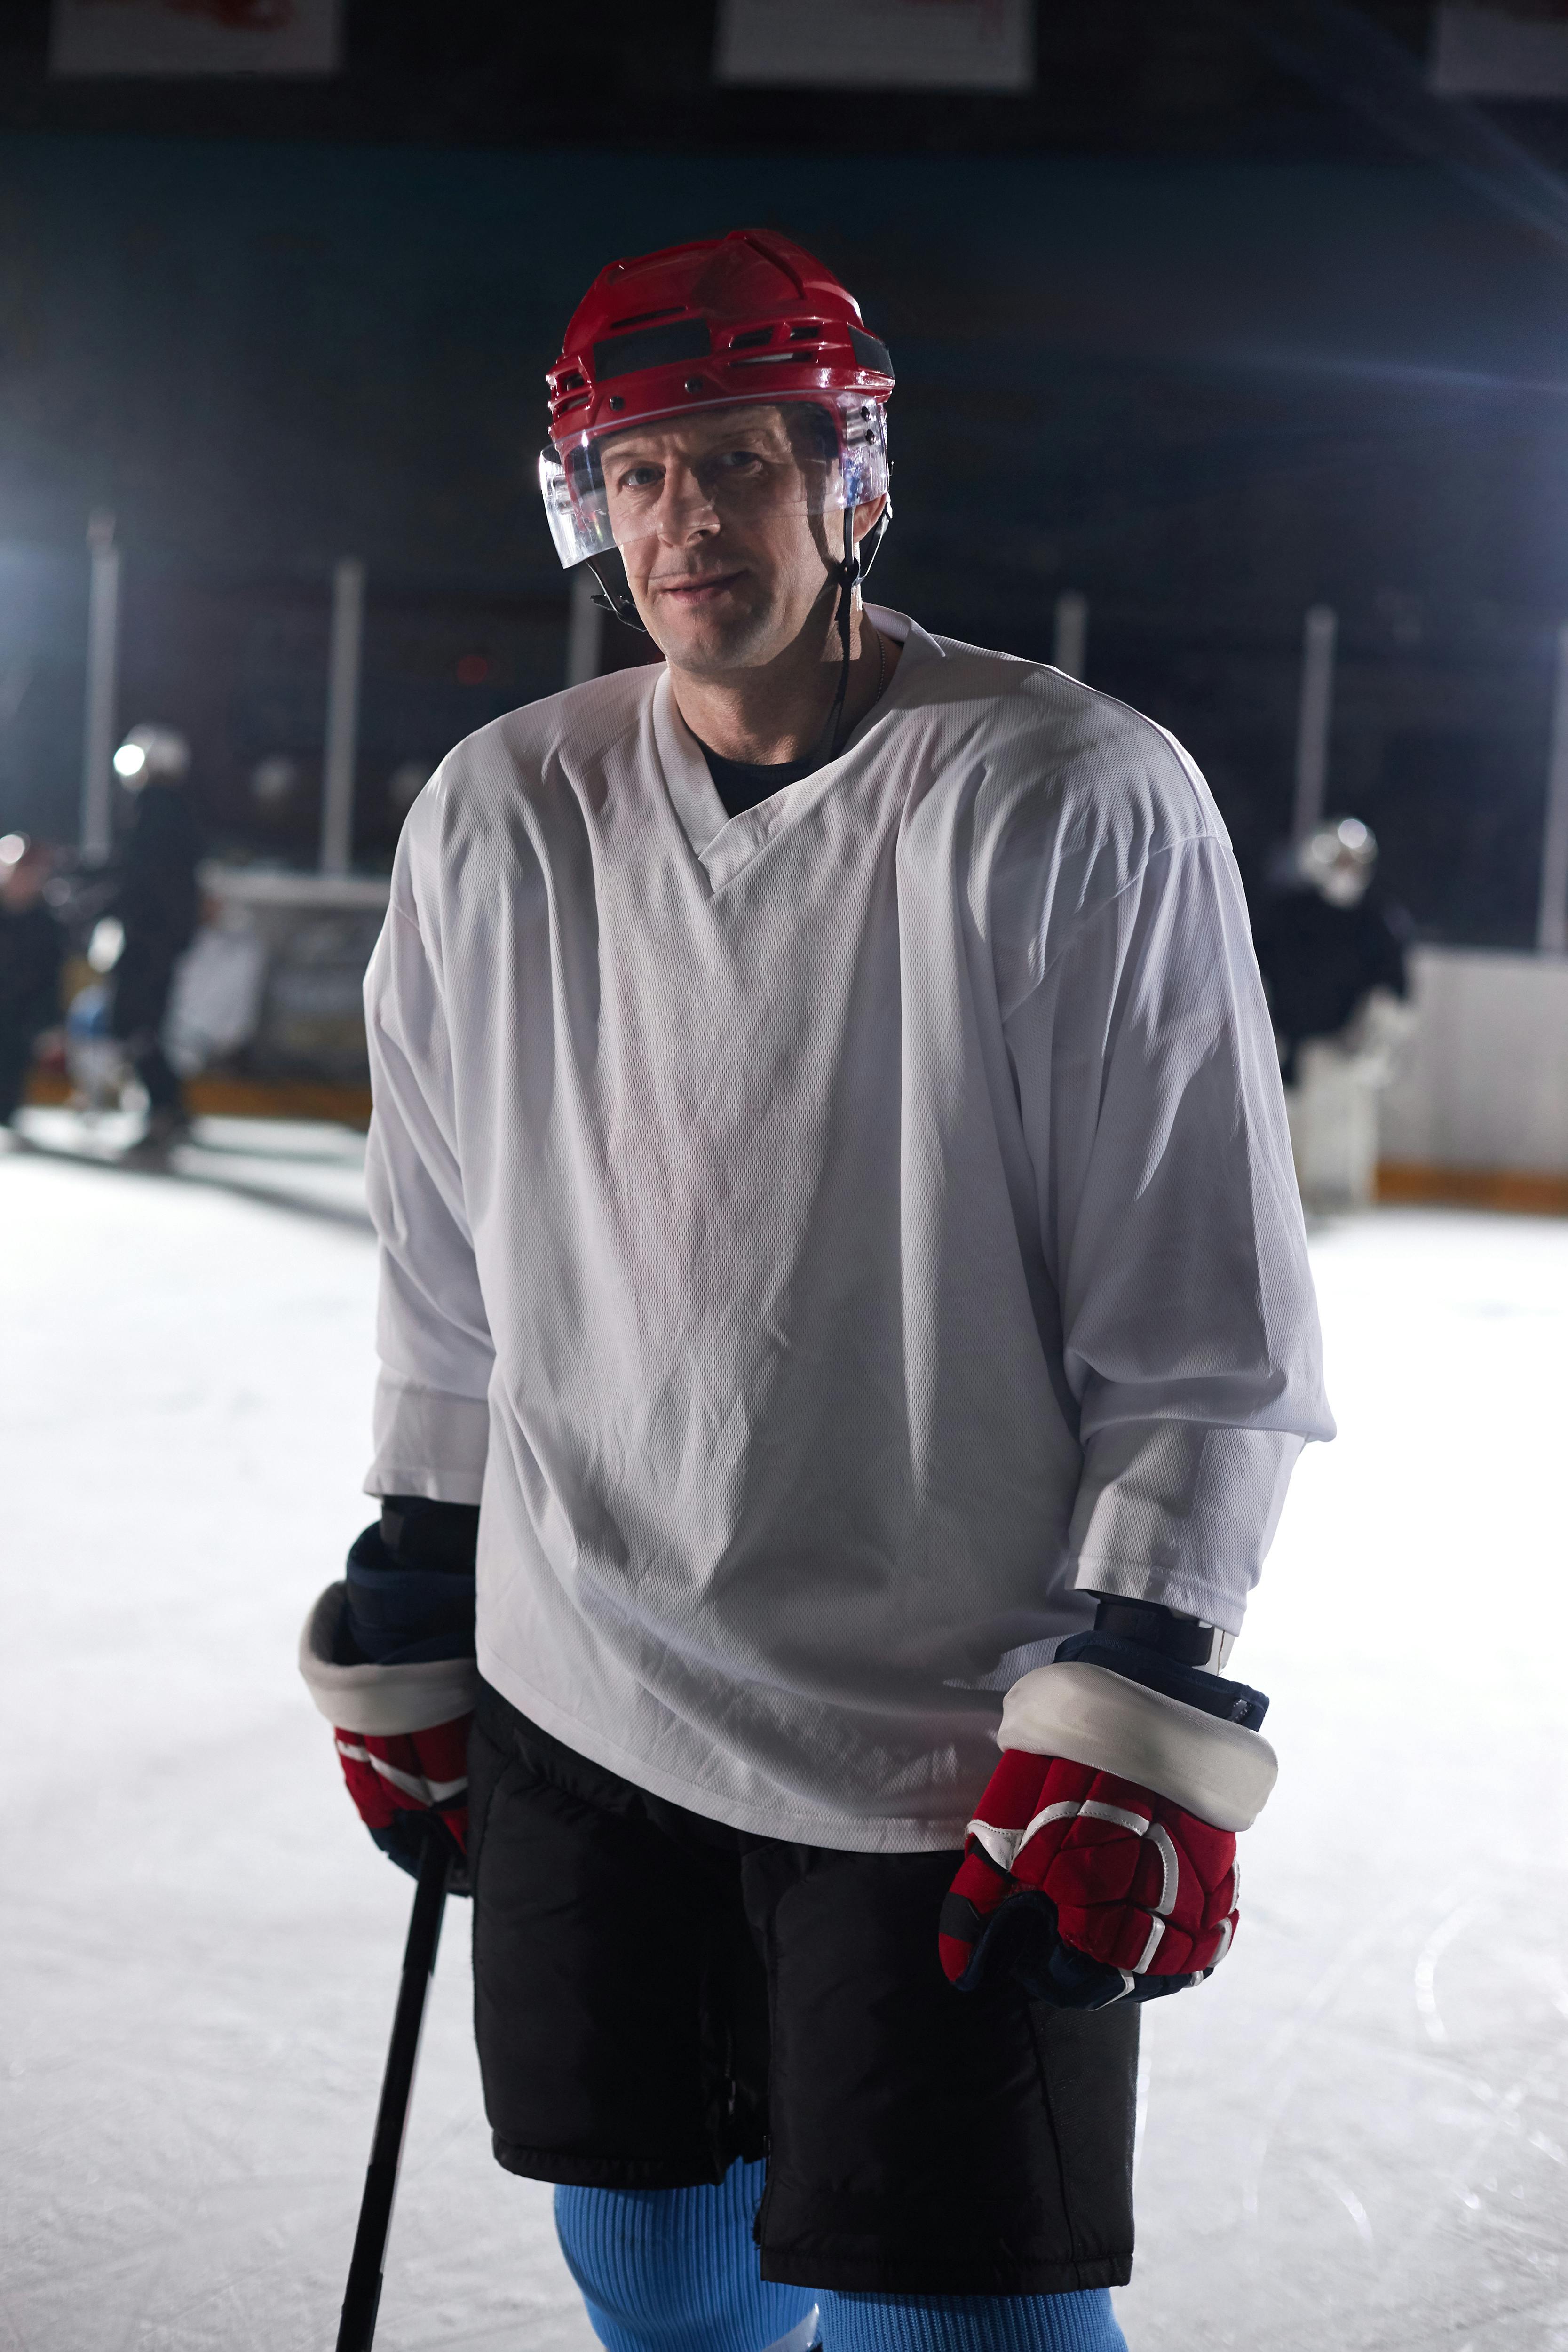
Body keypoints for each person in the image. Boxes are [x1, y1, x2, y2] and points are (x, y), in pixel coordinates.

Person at [301, 230, 1332, 2352]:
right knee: (657, 2282)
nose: (687, 520)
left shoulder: (1068, 797)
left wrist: (1141, 1678)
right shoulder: (503, 812)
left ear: (848, 480)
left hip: (941, 1736)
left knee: (965, 2326)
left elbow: (1201, 1308)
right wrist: (421, 1563)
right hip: (584, 1684)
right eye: (645, 473)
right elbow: (440, 1254)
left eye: (740, 464)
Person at [1254, 817, 1413, 1212]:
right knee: (1280, 1127)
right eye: (1340, 861)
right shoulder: (1289, 914)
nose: (1347, 871)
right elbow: (1260, 966)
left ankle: (1335, 1198)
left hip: (1342, 1047)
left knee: (1339, 1126)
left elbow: (1394, 988)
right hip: (1285, 1043)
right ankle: (1275, 1201)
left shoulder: (1378, 919)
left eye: (1354, 862)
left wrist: (1376, 1040)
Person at [105, 725, 202, 1158]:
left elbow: (140, 878)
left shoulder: (154, 813)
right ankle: (171, 1108)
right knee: (147, 1025)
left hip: (148, 942)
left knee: (136, 1023)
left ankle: (164, 1109)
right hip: (162, 941)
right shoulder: (181, 815)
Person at [0, 834, 64, 1128]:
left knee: (12, 1067)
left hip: (22, 1015)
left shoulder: (46, 924)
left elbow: (52, 978)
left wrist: (50, 1023)